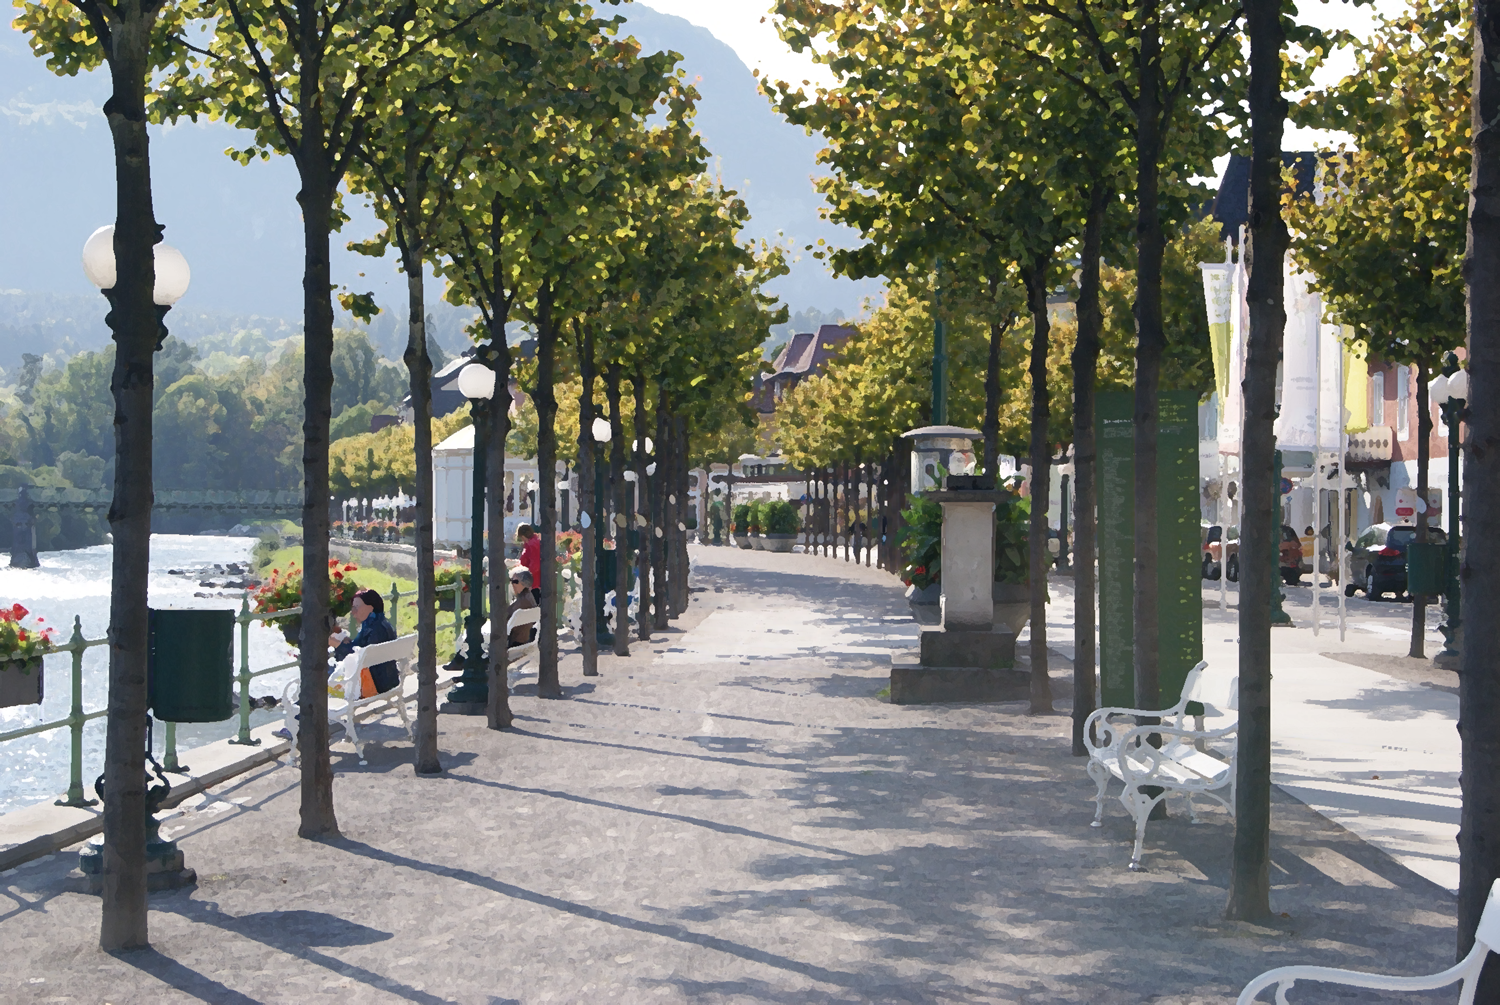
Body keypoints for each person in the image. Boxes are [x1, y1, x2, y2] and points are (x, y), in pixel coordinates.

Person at [328, 588, 399, 693]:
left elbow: (356, 659)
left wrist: (337, 644)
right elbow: (362, 648)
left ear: (371, 608)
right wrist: (348, 642)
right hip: (390, 680)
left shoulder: (374, 629)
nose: (353, 612)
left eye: (356, 607)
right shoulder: (382, 624)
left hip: (373, 684)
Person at [507, 568, 538, 645]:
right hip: (527, 641)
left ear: (524, 583)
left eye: (515, 581)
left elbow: (504, 621)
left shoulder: (522, 603)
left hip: (515, 643)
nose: (512, 584)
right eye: (511, 580)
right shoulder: (529, 597)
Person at [517, 524, 542, 602]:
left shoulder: (532, 544)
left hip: (534, 581)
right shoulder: (531, 543)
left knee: (533, 602)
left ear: (523, 536)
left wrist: (528, 578)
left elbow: (535, 564)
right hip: (533, 579)